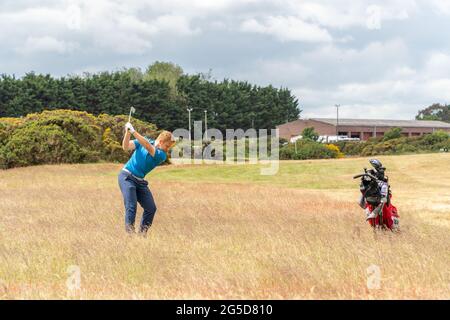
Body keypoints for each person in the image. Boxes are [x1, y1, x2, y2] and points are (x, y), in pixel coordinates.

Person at [118, 121, 176, 235]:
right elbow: (125, 147)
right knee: (131, 205)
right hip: (127, 176)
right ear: (160, 141)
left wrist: (133, 131)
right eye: (167, 145)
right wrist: (128, 133)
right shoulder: (144, 141)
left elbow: (148, 147)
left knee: (151, 208)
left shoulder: (161, 155)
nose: (167, 149)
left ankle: (142, 234)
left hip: (140, 182)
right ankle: (130, 235)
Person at [358, 159, 400, 230]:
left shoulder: (382, 177)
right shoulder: (370, 173)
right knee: (364, 203)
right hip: (373, 195)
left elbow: (383, 180)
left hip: (380, 195)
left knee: (386, 209)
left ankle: (392, 226)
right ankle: (375, 221)